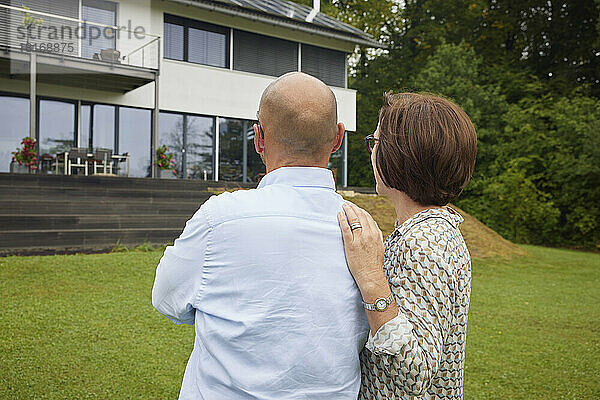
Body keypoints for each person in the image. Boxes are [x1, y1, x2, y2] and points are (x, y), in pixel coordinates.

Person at [152, 72, 369, 399]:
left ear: (259, 138)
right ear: (338, 138)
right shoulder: (363, 231)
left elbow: (167, 300)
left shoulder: (219, 220)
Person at [338, 92, 477, 399]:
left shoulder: (424, 243)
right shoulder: (430, 230)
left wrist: (371, 279)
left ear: (400, 154)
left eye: (376, 142)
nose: (372, 152)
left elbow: (413, 373)